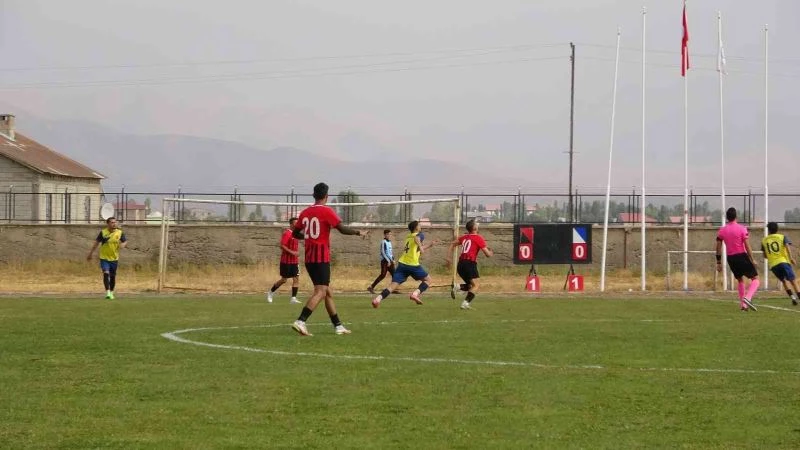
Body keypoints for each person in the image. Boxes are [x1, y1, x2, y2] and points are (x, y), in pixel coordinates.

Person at [290, 182, 368, 336]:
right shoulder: (327, 211)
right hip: (321, 258)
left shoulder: (305, 212)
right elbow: (342, 229)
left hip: (309, 258)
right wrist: (359, 233)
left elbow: (294, 233)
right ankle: (301, 321)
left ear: (314, 195)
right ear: (326, 196)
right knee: (320, 291)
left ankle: (338, 326)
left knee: (327, 292)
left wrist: (306, 237)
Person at [372, 220, 437, 308]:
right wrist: (421, 247)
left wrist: (429, 245)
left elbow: (416, 249)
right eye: (419, 225)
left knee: (392, 286)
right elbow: (417, 239)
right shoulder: (420, 234)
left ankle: (377, 299)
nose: (420, 226)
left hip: (402, 264)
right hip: (413, 265)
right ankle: (415, 294)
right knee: (428, 280)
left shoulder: (408, 237)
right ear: (416, 228)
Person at [716, 207, 759, 311]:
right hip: (741, 255)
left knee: (740, 280)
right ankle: (747, 298)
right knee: (755, 279)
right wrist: (752, 259)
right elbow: (747, 245)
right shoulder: (742, 228)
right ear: (736, 216)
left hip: (730, 258)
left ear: (727, 217)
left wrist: (718, 262)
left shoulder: (722, 230)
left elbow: (718, 247)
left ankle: (743, 306)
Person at [447, 219, 493, 310]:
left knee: (470, 286)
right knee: (476, 285)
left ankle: (457, 287)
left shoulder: (464, 237)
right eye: (476, 224)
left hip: (461, 264)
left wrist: (448, 257)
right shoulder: (478, 238)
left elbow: (452, 244)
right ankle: (465, 304)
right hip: (469, 264)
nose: (478, 225)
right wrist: (490, 252)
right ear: (474, 227)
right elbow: (487, 254)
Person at [86, 217, 127, 300]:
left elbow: (125, 241)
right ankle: (107, 292)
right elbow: (96, 243)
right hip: (104, 257)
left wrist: (123, 244)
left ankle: (111, 292)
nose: (114, 224)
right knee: (106, 273)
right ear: (108, 224)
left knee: (112, 276)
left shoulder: (119, 232)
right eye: (112, 222)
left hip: (114, 258)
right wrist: (90, 254)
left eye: (115, 222)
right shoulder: (103, 232)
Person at [761, 222, 800, 305]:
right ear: (777, 229)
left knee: (784, 281)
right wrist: (791, 258)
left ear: (768, 230)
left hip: (773, 265)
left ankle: (792, 297)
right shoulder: (782, 237)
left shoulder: (764, 240)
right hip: (783, 262)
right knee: (793, 281)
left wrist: (772, 255)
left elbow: (765, 256)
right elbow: (787, 247)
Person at [267, 217, 302, 304]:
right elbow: (282, 246)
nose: (297, 224)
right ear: (291, 224)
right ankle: (270, 292)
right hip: (286, 261)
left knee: (296, 279)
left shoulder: (296, 234)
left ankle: (293, 298)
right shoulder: (287, 233)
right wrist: (293, 252)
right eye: (295, 223)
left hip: (295, 261)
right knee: (284, 280)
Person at [367, 229, 395, 294]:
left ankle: (392, 289)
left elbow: (390, 253)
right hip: (385, 261)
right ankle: (371, 287)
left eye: (390, 234)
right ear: (385, 235)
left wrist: (393, 260)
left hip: (390, 261)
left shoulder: (389, 242)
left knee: (394, 275)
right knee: (383, 275)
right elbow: (383, 252)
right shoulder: (383, 242)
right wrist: (388, 261)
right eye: (388, 234)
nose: (389, 235)